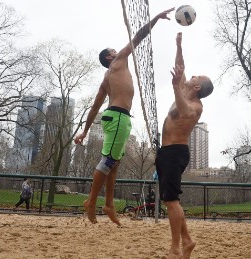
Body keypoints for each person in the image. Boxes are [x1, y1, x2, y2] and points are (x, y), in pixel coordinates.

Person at [74, 8, 176, 226]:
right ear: (110, 56)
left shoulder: (107, 76)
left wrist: (84, 130)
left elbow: (94, 107)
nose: (117, 49)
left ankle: (109, 204)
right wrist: (156, 19)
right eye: (113, 49)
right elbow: (138, 36)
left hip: (116, 116)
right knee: (109, 160)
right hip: (119, 117)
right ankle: (91, 202)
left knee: (115, 163)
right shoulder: (118, 60)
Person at [155, 32, 214, 259]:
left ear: (197, 87)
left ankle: (175, 248)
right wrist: (178, 45)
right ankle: (187, 241)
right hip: (165, 151)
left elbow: (184, 112)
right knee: (170, 200)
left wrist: (173, 87)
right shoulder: (183, 89)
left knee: (171, 201)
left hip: (175, 153)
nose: (193, 74)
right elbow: (180, 66)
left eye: (197, 76)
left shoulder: (196, 105)